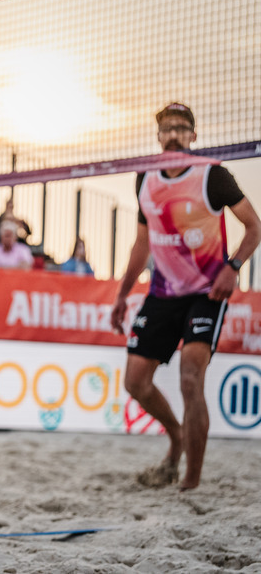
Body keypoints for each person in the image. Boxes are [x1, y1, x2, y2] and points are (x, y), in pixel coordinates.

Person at [110, 102, 260, 491]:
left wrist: (233, 266)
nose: (174, 134)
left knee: (190, 379)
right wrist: (122, 295)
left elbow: (254, 228)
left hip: (208, 291)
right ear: (158, 137)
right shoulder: (145, 178)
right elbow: (141, 244)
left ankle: (189, 484)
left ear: (194, 136)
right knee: (135, 383)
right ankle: (175, 437)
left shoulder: (212, 175)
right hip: (162, 292)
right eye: (167, 129)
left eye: (181, 128)